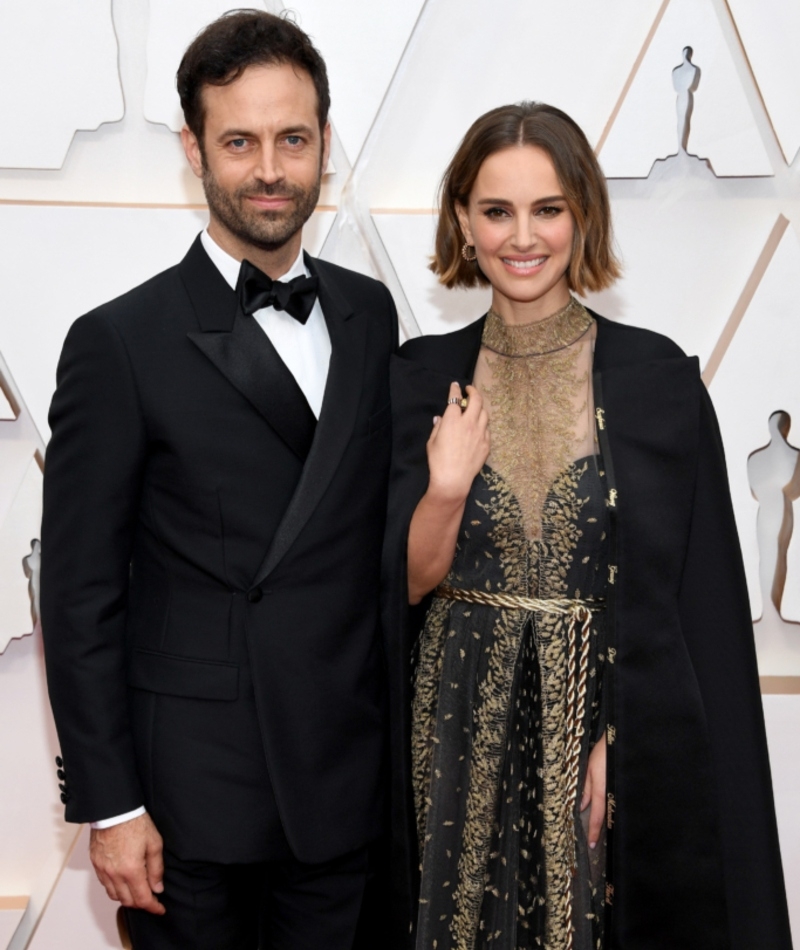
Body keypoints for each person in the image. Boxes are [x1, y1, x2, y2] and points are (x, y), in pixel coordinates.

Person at [382, 102, 792, 950]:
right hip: (453, 733)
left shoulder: (657, 383)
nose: (521, 236)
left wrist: (624, 737)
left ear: (583, 216)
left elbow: (692, 611)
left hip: (596, 735)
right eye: (496, 211)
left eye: (547, 209)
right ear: (463, 219)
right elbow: (405, 588)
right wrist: (446, 489)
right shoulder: (418, 380)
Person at [41, 11, 397, 949]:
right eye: (240, 141)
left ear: (325, 141)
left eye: (293, 138)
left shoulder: (369, 315)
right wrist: (110, 805)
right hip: (189, 805)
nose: (271, 169)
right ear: (195, 151)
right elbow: (77, 596)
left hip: (341, 785)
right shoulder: (119, 341)